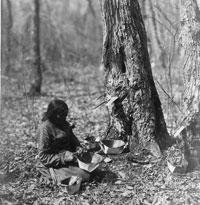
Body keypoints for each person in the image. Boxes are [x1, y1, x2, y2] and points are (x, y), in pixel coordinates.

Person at [36, 99, 90, 186]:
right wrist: (63, 158)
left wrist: (78, 147)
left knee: (92, 170)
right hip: (53, 163)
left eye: (65, 114)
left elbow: (73, 141)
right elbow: (43, 157)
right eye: (62, 115)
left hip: (70, 158)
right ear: (54, 115)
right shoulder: (45, 128)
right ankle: (52, 175)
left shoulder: (64, 123)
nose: (65, 117)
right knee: (84, 176)